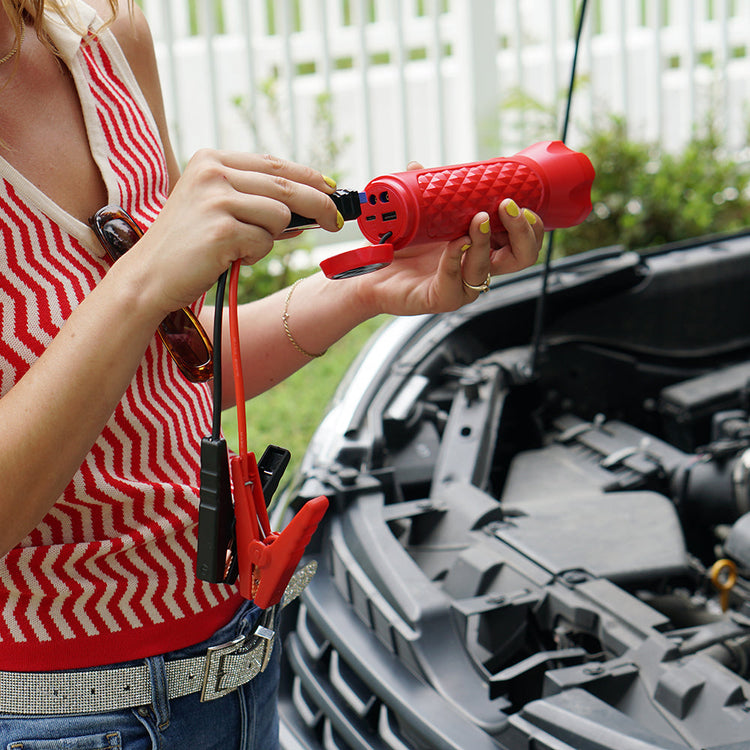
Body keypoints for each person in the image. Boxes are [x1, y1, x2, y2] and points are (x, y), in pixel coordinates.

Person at [0, 0, 544, 747]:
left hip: (239, 676)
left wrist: (360, 286)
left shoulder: (100, 40)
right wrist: (141, 280)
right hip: (57, 716)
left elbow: (163, 370)